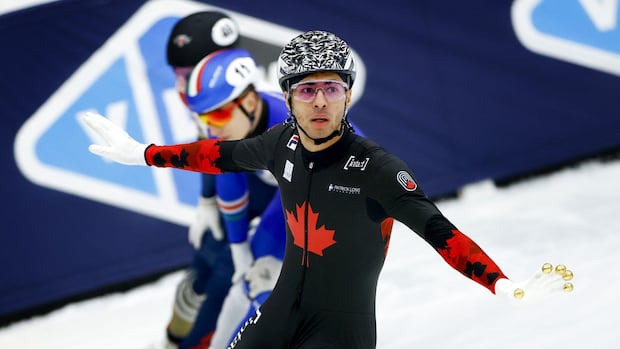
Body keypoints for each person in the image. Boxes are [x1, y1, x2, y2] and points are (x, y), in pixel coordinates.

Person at [82, 30, 575, 349]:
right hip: (280, 311)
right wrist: (142, 152)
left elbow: (440, 232)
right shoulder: (280, 142)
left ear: (347, 95)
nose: (319, 101)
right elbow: (216, 156)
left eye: (332, 88)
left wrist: (502, 283)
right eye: (306, 89)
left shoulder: (377, 168)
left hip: (341, 330)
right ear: (288, 97)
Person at [162, 11, 284, 349]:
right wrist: (206, 200)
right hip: (242, 178)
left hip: (272, 189)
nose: (180, 85)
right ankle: (173, 339)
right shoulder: (212, 101)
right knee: (205, 263)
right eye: (178, 74)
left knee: (226, 276)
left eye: (186, 73)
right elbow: (214, 151)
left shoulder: (242, 103)